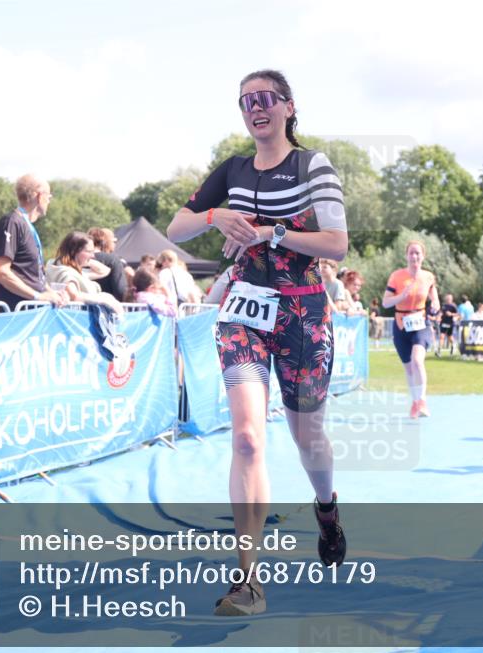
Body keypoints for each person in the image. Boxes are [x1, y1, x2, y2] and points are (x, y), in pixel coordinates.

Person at [167, 69, 348, 616]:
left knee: (307, 436)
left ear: (289, 107)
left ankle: (327, 508)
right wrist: (215, 215)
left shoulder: (311, 165)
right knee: (246, 437)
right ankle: (248, 580)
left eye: (265, 98)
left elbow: (336, 245)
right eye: (245, 101)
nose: (255, 107)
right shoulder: (232, 170)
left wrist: (271, 232)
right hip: (244, 310)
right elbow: (176, 228)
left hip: (303, 311)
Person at [0, 174, 66, 310]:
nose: (49, 201)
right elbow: (0, 272)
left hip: (28, 314)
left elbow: (30, 274)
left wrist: (50, 293)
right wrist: (37, 296)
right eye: (49, 196)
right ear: (39, 196)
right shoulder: (12, 222)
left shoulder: (25, 225)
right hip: (13, 316)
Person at [383, 240, 439, 419]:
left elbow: (434, 298)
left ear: (423, 256)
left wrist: (436, 305)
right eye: (411, 253)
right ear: (406, 256)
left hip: (420, 322)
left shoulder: (429, 277)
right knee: (408, 367)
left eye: (417, 253)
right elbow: (385, 302)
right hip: (400, 323)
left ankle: (422, 400)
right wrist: (402, 296)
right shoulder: (397, 276)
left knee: (417, 361)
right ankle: (415, 402)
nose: (414, 256)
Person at [45, 232, 124, 315]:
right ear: (74, 251)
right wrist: (106, 300)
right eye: (89, 251)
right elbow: (75, 296)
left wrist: (87, 261)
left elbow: (105, 271)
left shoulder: (73, 271)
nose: (93, 255)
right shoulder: (65, 272)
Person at [87, 227, 130, 301]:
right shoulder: (113, 260)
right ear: (105, 242)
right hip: (108, 307)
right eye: (114, 241)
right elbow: (120, 291)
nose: (115, 244)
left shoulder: (76, 259)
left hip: (81, 308)